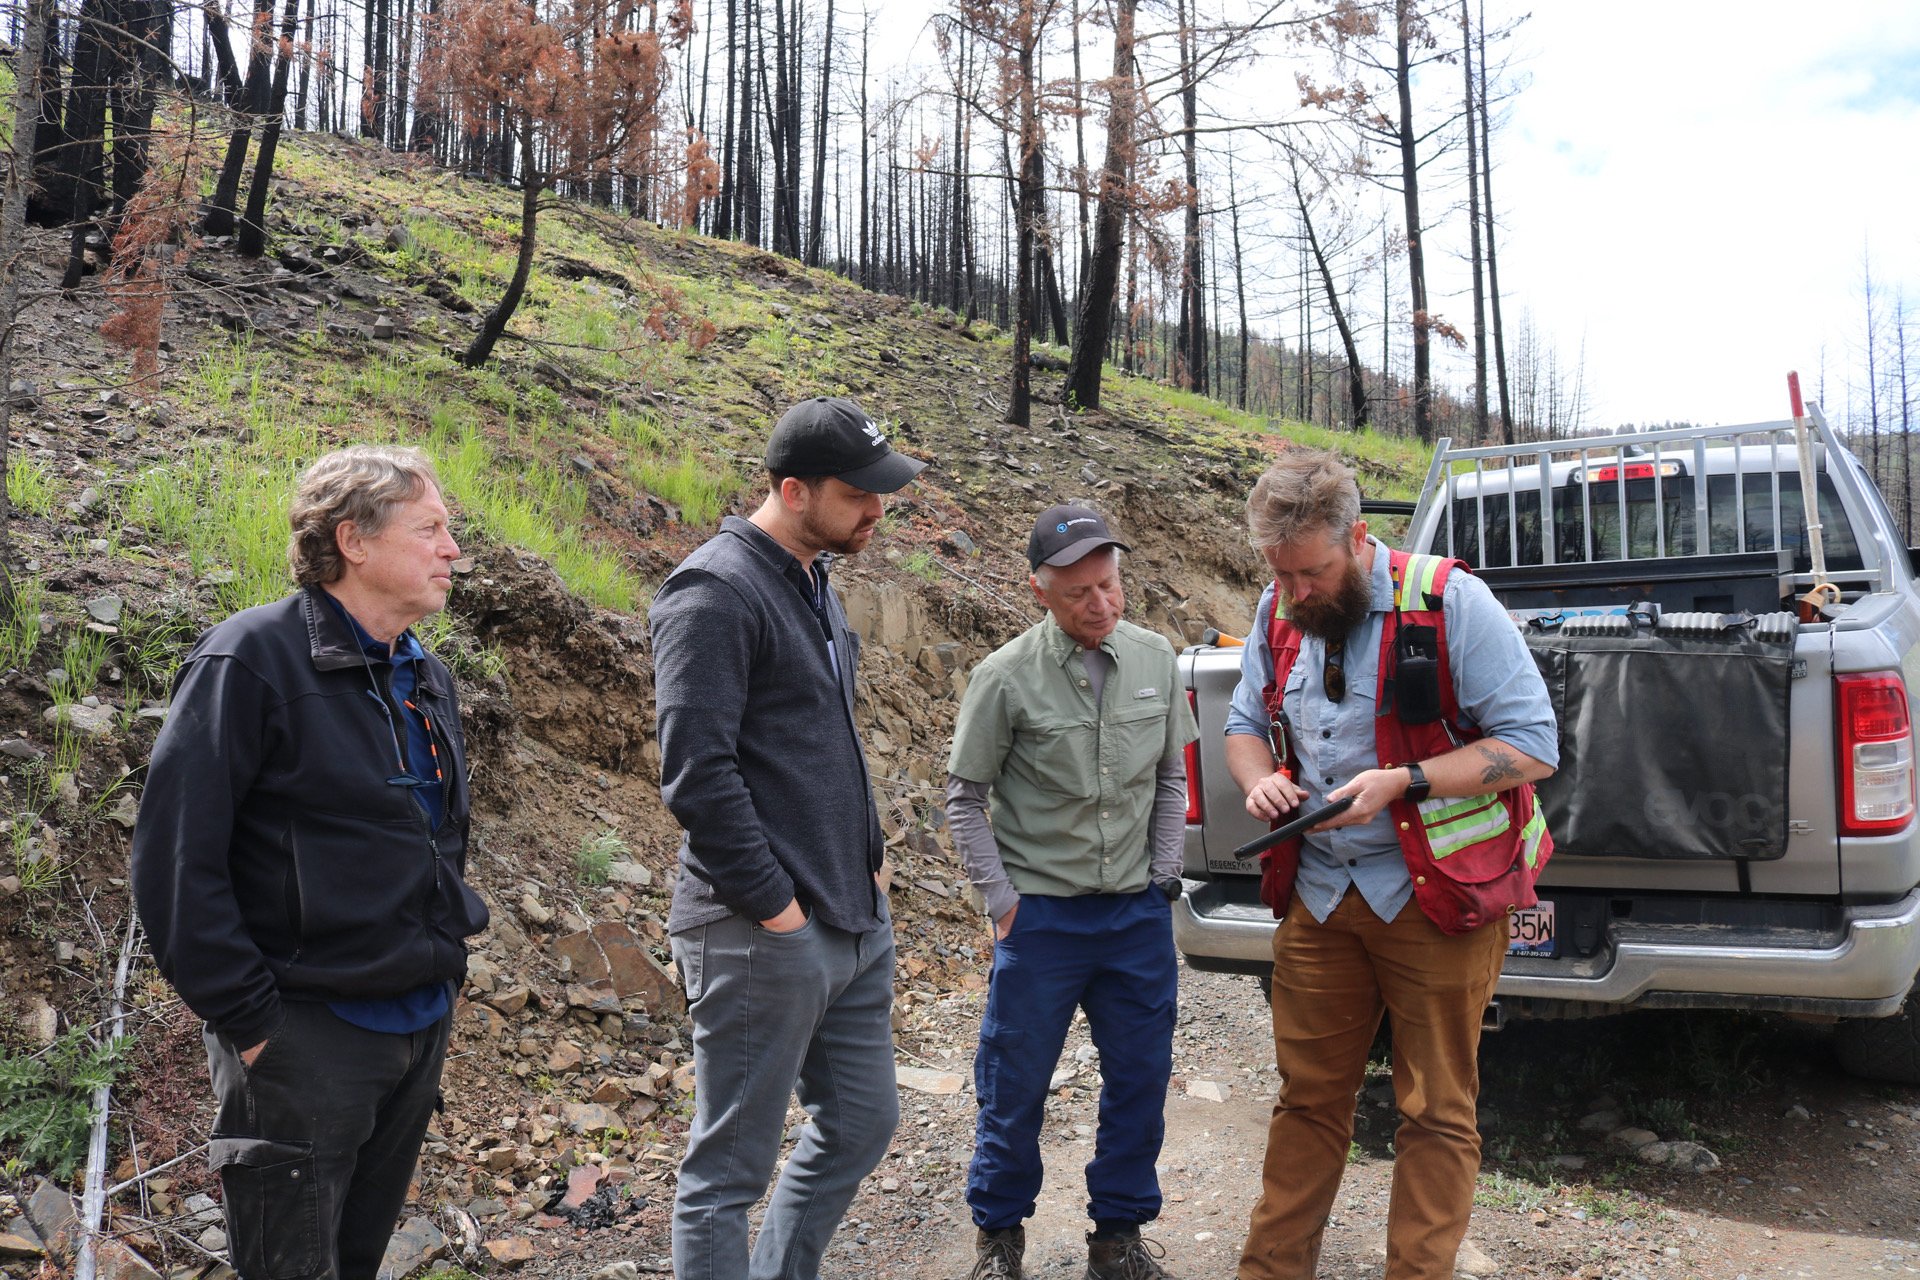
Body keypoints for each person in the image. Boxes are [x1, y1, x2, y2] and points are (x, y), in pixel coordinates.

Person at [132, 445, 489, 1280]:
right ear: (353, 540)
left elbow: (438, 838)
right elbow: (175, 861)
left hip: (413, 1024)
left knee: (355, 1262)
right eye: (432, 529)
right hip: (303, 1034)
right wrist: (254, 1025)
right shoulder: (249, 660)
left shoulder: (424, 676)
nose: (452, 551)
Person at [1223, 449, 1558, 1280]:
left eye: (1314, 573)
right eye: (1283, 575)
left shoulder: (1450, 601)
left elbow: (1532, 748)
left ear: (1359, 539)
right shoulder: (1277, 606)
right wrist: (1262, 780)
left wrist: (1406, 781)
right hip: (1321, 899)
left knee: (1437, 1111)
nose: (1298, 594)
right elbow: (1240, 726)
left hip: (1435, 900)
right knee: (1307, 1101)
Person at [650, 395, 922, 1280]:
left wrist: (870, 871)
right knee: (728, 1170)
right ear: (794, 490)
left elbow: (819, 746)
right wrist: (778, 916)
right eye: (859, 494)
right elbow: (698, 775)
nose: (877, 510)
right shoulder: (715, 591)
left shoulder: (811, 578)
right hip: (759, 929)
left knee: (863, 1119)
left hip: (847, 914)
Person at [947, 504, 1199, 1280]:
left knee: (1140, 1079)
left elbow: (1170, 778)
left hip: (1134, 915)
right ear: (1040, 592)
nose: (1102, 603)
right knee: (1014, 1080)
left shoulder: (1157, 659)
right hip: (1043, 918)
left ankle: (1117, 1239)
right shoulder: (1003, 677)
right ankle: (999, 1237)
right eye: (1081, 591)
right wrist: (1003, 903)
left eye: (1111, 584)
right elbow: (963, 799)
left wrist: (1161, 879)